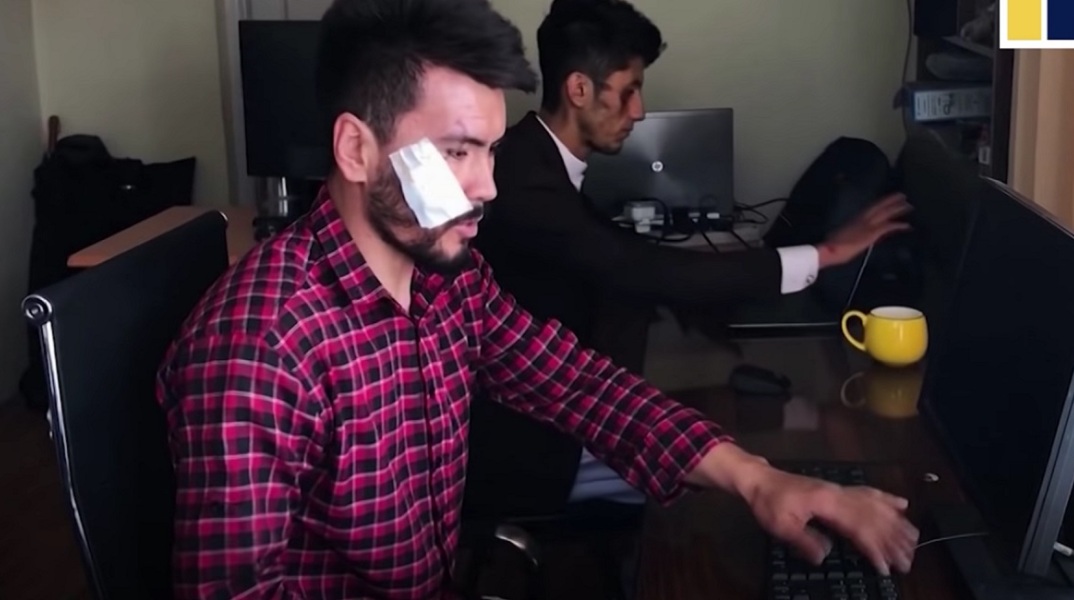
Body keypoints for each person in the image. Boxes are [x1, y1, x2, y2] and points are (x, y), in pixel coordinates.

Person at [155, 0, 919, 597]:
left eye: (489, 151)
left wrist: (760, 479)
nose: (488, 186)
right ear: (357, 148)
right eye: (457, 151)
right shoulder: (261, 348)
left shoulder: (448, 281)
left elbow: (577, 383)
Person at [468, 0, 913, 519]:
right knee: (729, 481)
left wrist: (705, 304)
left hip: (565, 399)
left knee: (728, 431)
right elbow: (640, 269)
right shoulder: (523, 178)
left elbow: (623, 263)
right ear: (579, 89)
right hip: (532, 442)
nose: (638, 111)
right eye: (629, 90)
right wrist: (826, 254)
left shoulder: (539, 160)